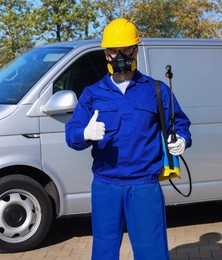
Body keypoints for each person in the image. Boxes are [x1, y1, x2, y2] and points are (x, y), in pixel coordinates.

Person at [65, 18, 192, 260]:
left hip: (144, 184)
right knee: (104, 251)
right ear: (106, 54)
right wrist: (84, 134)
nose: (119, 55)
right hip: (105, 185)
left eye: (125, 49)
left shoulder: (156, 90)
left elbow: (180, 123)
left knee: (151, 251)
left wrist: (182, 139)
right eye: (113, 50)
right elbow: (71, 135)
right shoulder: (92, 94)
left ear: (136, 50)